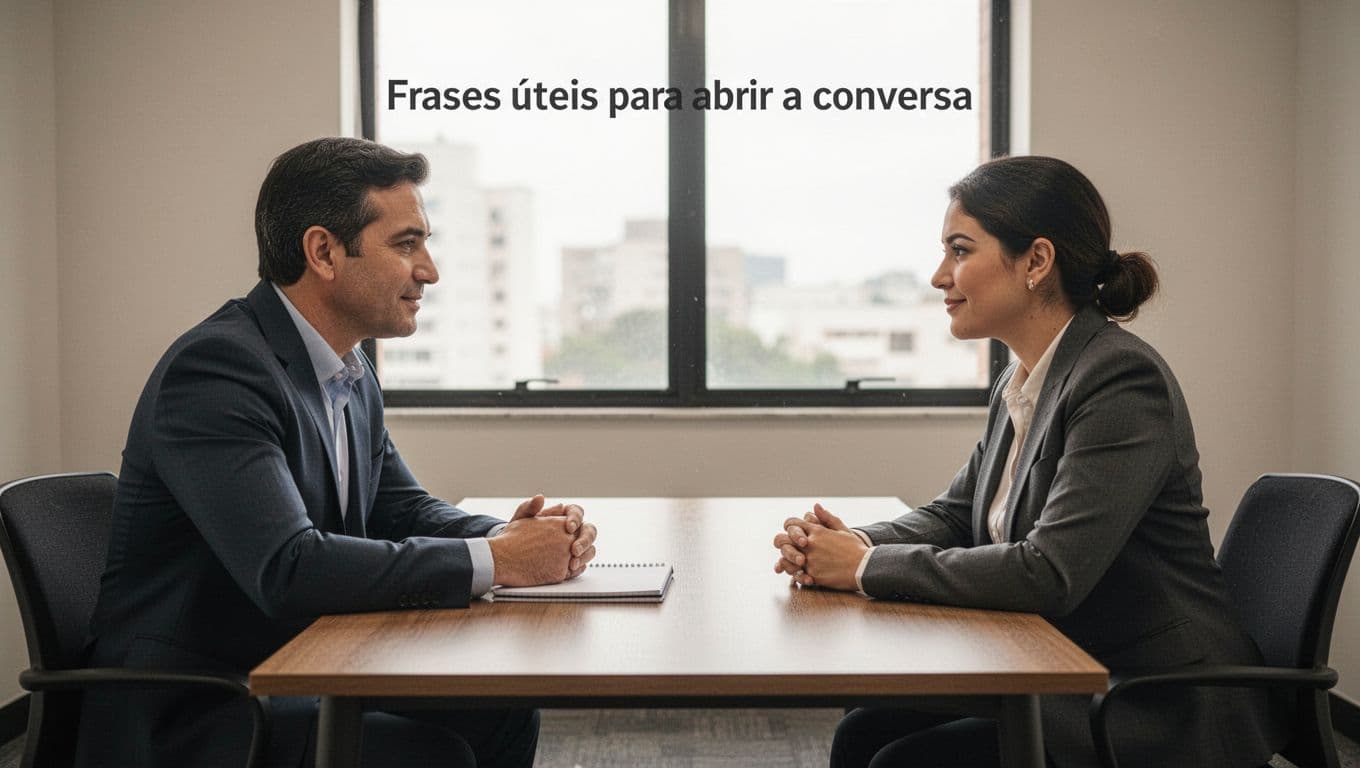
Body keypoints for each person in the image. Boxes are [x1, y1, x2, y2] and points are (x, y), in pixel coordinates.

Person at [75, 137, 598, 768]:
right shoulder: (217, 370)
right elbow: (290, 567)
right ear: (323, 251)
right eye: (406, 244)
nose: (429, 270)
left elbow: (402, 508)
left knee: (501, 712)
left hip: (298, 666)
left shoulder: (347, 369)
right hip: (200, 708)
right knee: (427, 755)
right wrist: (497, 559)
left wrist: (517, 538)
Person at [772, 156, 1286, 767]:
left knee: (900, 762)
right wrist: (847, 542)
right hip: (1068, 659)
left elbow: (1050, 573)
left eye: (959, 250)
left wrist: (864, 567)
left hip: (1152, 696)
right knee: (863, 731)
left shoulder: (1120, 378)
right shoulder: (1023, 379)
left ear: (1037, 262)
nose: (940, 276)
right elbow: (956, 514)